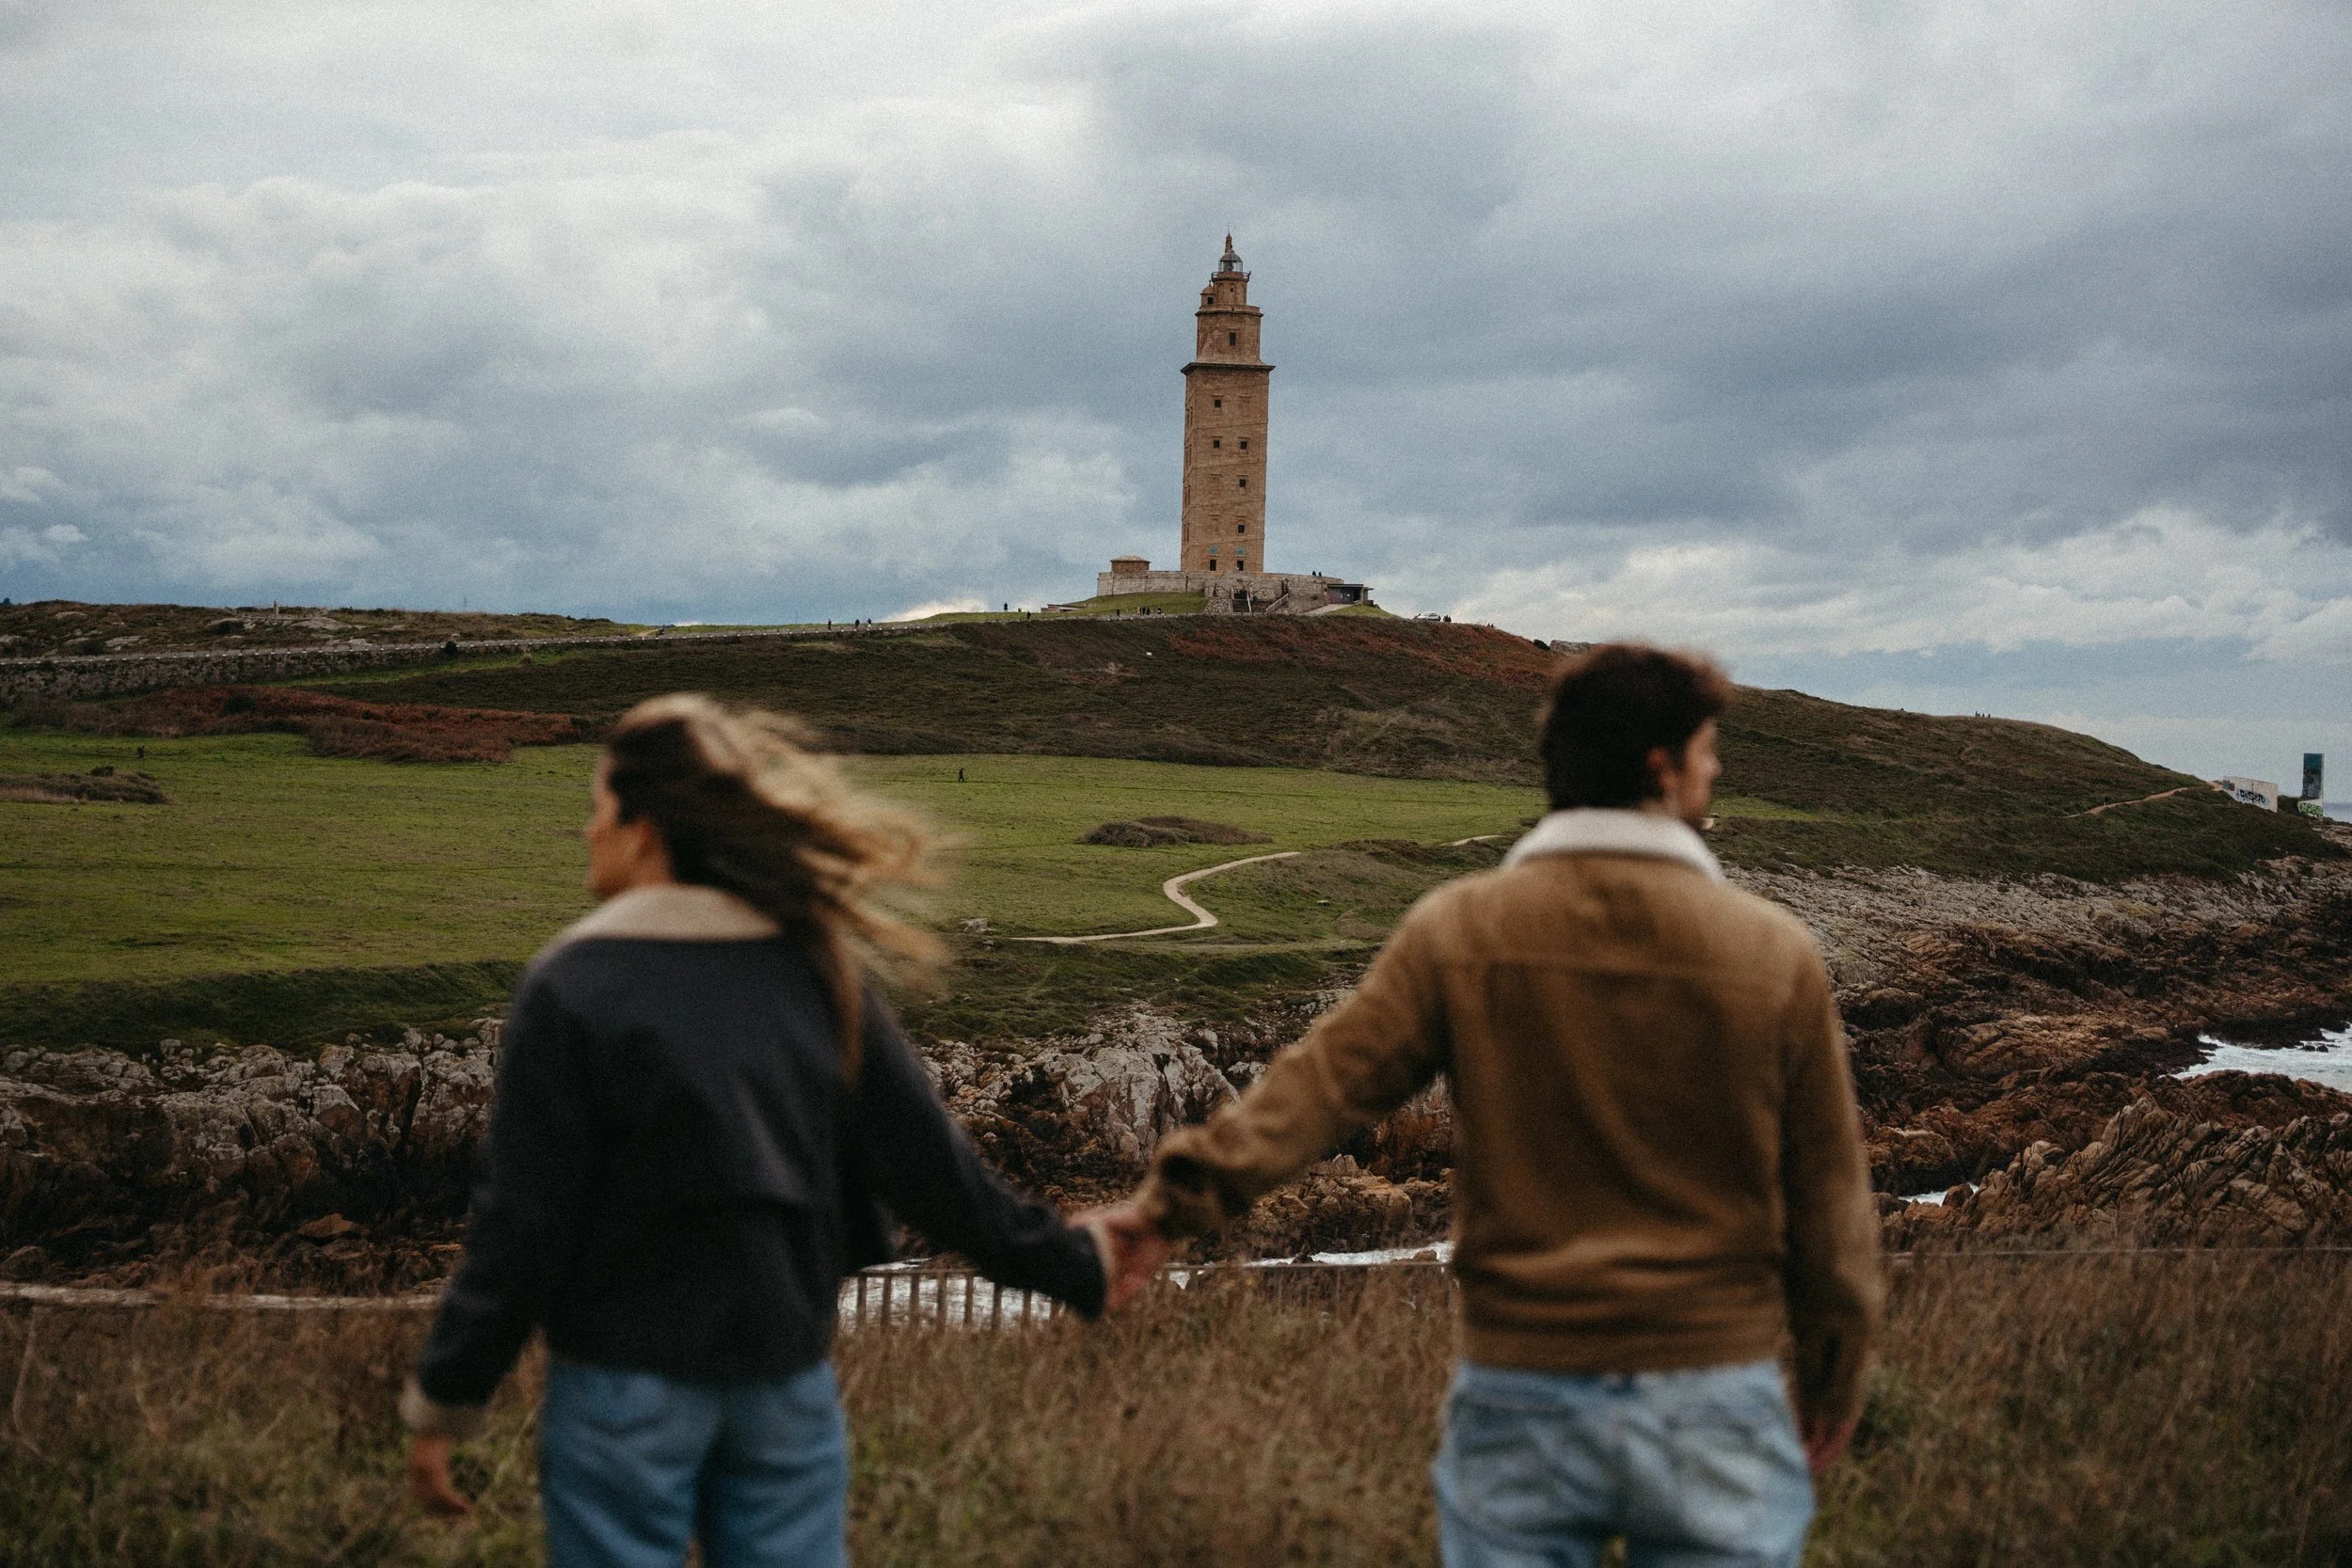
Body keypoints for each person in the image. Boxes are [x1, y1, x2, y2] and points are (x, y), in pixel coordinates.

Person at [1100, 644, 1883, 1567]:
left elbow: (1318, 1088)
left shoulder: (1462, 929)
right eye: (1707, 748)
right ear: (1660, 767)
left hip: (1524, 1382)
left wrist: (1168, 1209)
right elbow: (1831, 1194)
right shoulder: (1770, 952)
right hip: (1709, 1383)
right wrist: (1835, 1367)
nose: (1716, 769)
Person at [402, 694, 1124, 1567]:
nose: (586, 833)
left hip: (621, 1380)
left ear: (644, 827)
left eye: (595, 809)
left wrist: (449, 1395)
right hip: (783, 1376)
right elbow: (937, 1174)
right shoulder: (813, 968)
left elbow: (522, 1223)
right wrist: (1078, 1266)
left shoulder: (573, 985)